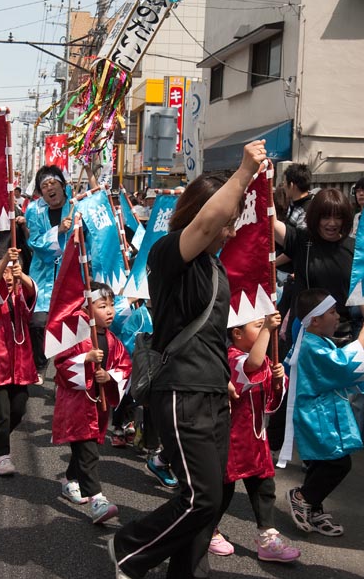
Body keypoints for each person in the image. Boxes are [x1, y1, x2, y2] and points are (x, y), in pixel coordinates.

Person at [109, 139, 269, 579]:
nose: (231, 231)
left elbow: (213, 333)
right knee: (200, 497)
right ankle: (128, 549)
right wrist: (243, 173)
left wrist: (227, 377)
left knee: (214, 499)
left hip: (214, 390)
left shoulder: (216, 268)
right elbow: (205, 225)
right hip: (180, 390)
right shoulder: (168, 252)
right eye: (227, 222)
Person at [274, 188, 364, 441]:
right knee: (307, 394)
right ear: (315, 217)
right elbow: (269, 222)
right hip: (306, 334)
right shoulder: (301, 241)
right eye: (325, 217)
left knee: (349, 393)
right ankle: (311, 448)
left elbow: (362, 293)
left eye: (337, 217)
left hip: (342, 333)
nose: (331, 223)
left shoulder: (354, 248)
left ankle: (345, 444)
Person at [208, 311, 301, 563]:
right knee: (224, 489)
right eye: (257, 326)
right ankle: (208, 530)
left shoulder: (262, 358)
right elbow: (252, 365)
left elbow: (269, 399)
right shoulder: (232, 357)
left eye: (263, 326)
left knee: (264, 485)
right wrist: (269, 329)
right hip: (232, 437)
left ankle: (266, 535)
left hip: (256, 437)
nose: (264, 330)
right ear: (236, 334)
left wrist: (278, 381)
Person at [285, 289, 364, 537]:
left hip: (321, 411)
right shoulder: (311, 345)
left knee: (323, 461)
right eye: (332, 312)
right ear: (315, 320)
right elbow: (338, 366)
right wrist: (360, 341)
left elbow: (337, 365)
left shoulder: (315, 341)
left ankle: (313, 506)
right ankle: (303, 497)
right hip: (317, 414)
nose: (338, 317)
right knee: (336, 462)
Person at [53, 282, 131, 525]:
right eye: (102, 306)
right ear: (86, 309)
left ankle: (68, 480)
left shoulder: (111, 339)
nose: (110, 311)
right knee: (88, 450)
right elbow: (61, 364)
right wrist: (84, 359)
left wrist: (109, 377)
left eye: (111, 305)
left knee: (84, 448)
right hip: (77, 405)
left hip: (98, 403)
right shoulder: (77, 335)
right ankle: (97, 500)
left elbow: (124, 365)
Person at [0, 246, 38, 476]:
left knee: (19, 408)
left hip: (20, 365)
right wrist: (3, 260)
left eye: (10, 272)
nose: (7, 277)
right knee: (1, 413)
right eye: (2, 273)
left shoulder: (19, 295)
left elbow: (33, 294)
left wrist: (20, 274)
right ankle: (1, 456)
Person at [24, 165, 73, 373]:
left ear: (63, 186)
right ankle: (40, 360)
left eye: (53, 183)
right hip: (43, 273)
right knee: (38, 322)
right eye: (44, 186)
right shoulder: (34, 210)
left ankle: (66, 375)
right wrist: (58, 231)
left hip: (70, 274)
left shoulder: (76, 206)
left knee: (69, 325)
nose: (50, 188)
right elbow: (33, 242)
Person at [282, 163, 315, 231]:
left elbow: (299, 239)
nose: (283, 187)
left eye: (284, 183)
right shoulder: (294, 204)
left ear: (291, 185)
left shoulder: (307, 211)